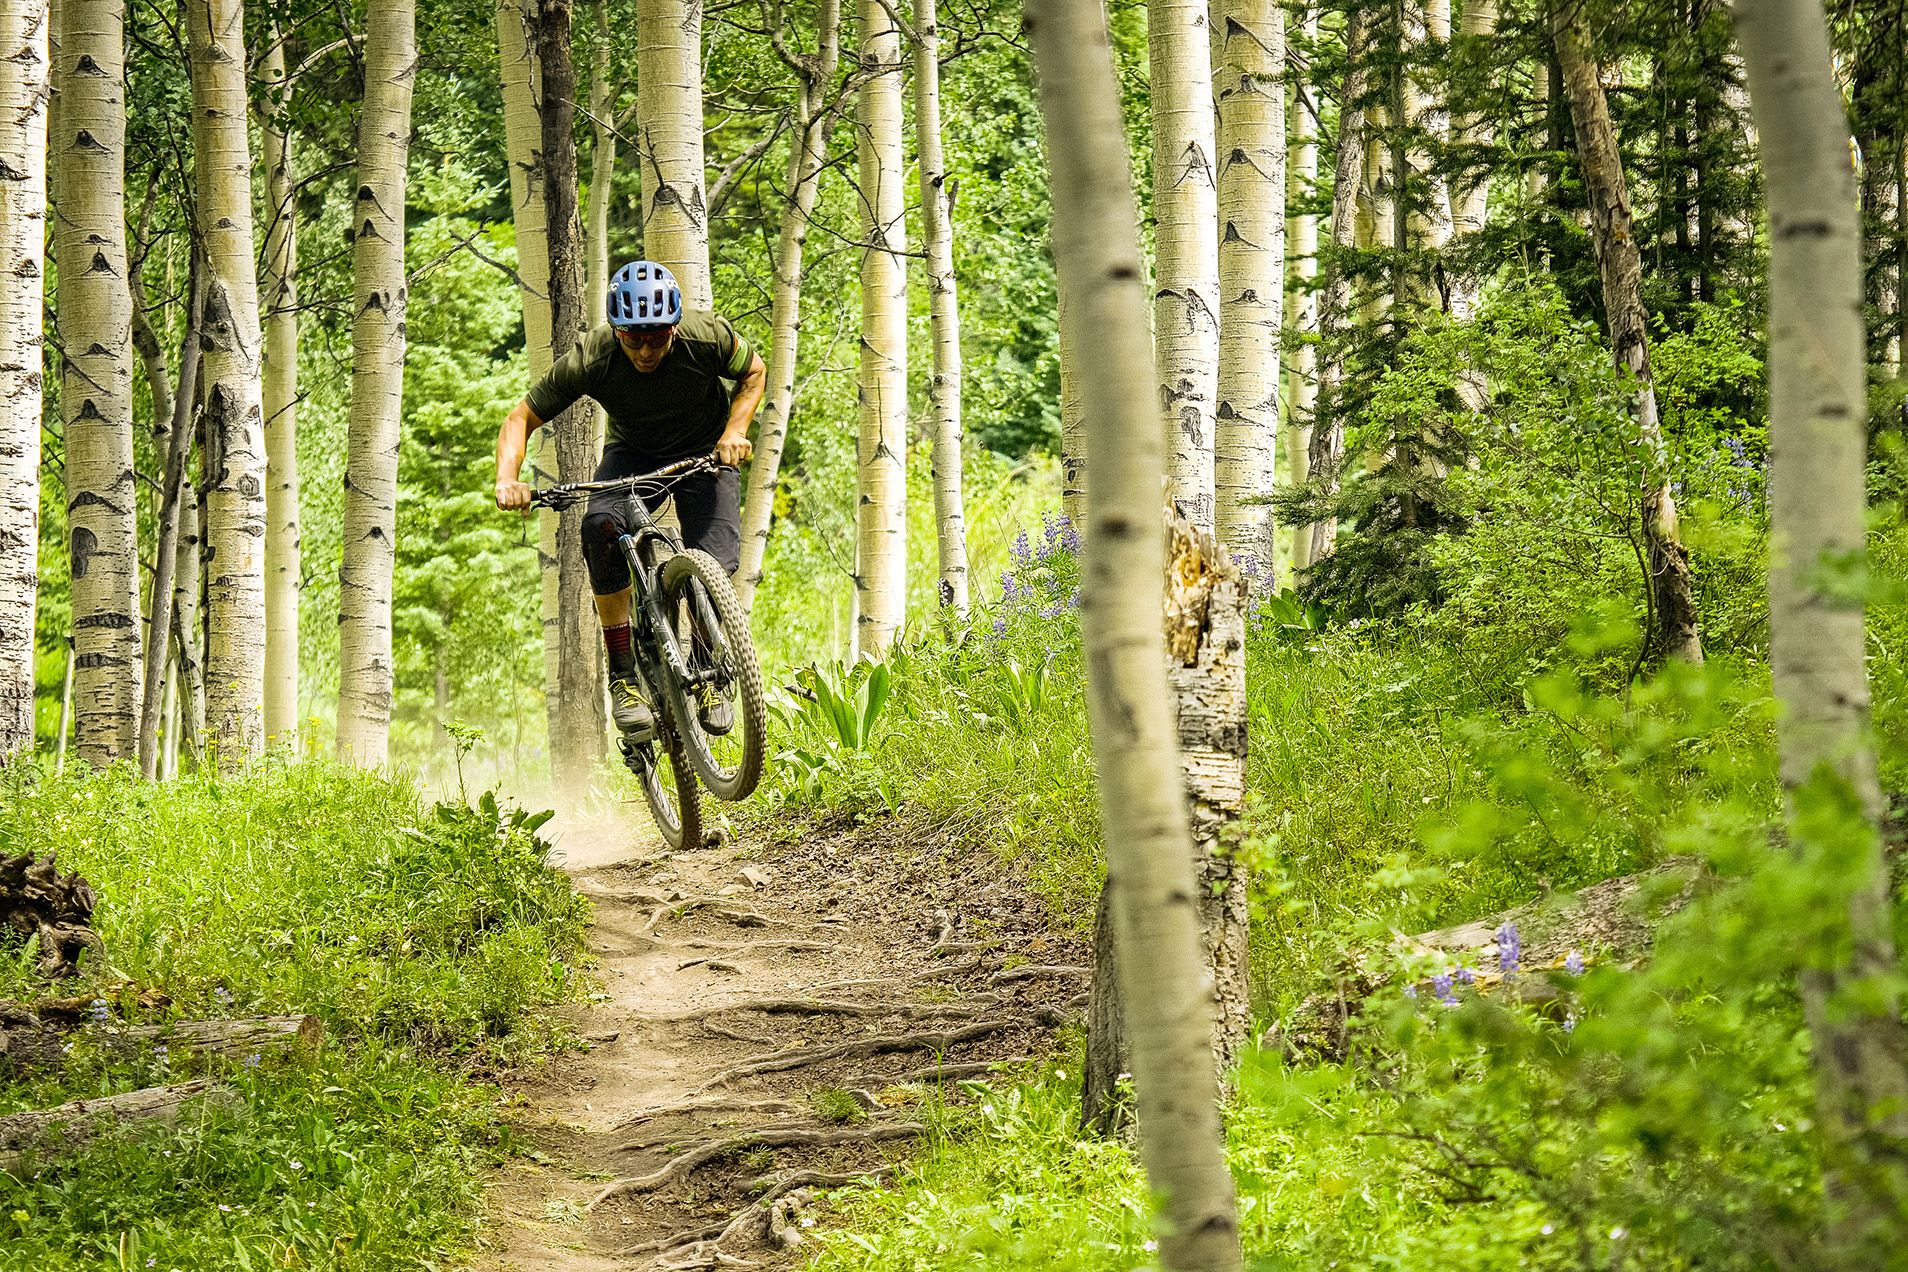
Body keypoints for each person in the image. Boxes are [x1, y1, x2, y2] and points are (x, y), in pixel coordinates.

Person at [494, 260, 768, 740]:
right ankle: (624, 677)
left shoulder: (708, 338)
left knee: (715, 560)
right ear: (617, 332)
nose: (645, 350)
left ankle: (708, 675)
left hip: (705, 452)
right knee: (599, 527)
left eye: (657, 338)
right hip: (633, 456)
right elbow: (521, 418)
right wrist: (507, 479)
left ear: (675, 328)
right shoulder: (594, 356)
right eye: (633, 338)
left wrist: (735, 431)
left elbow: (754, 373)